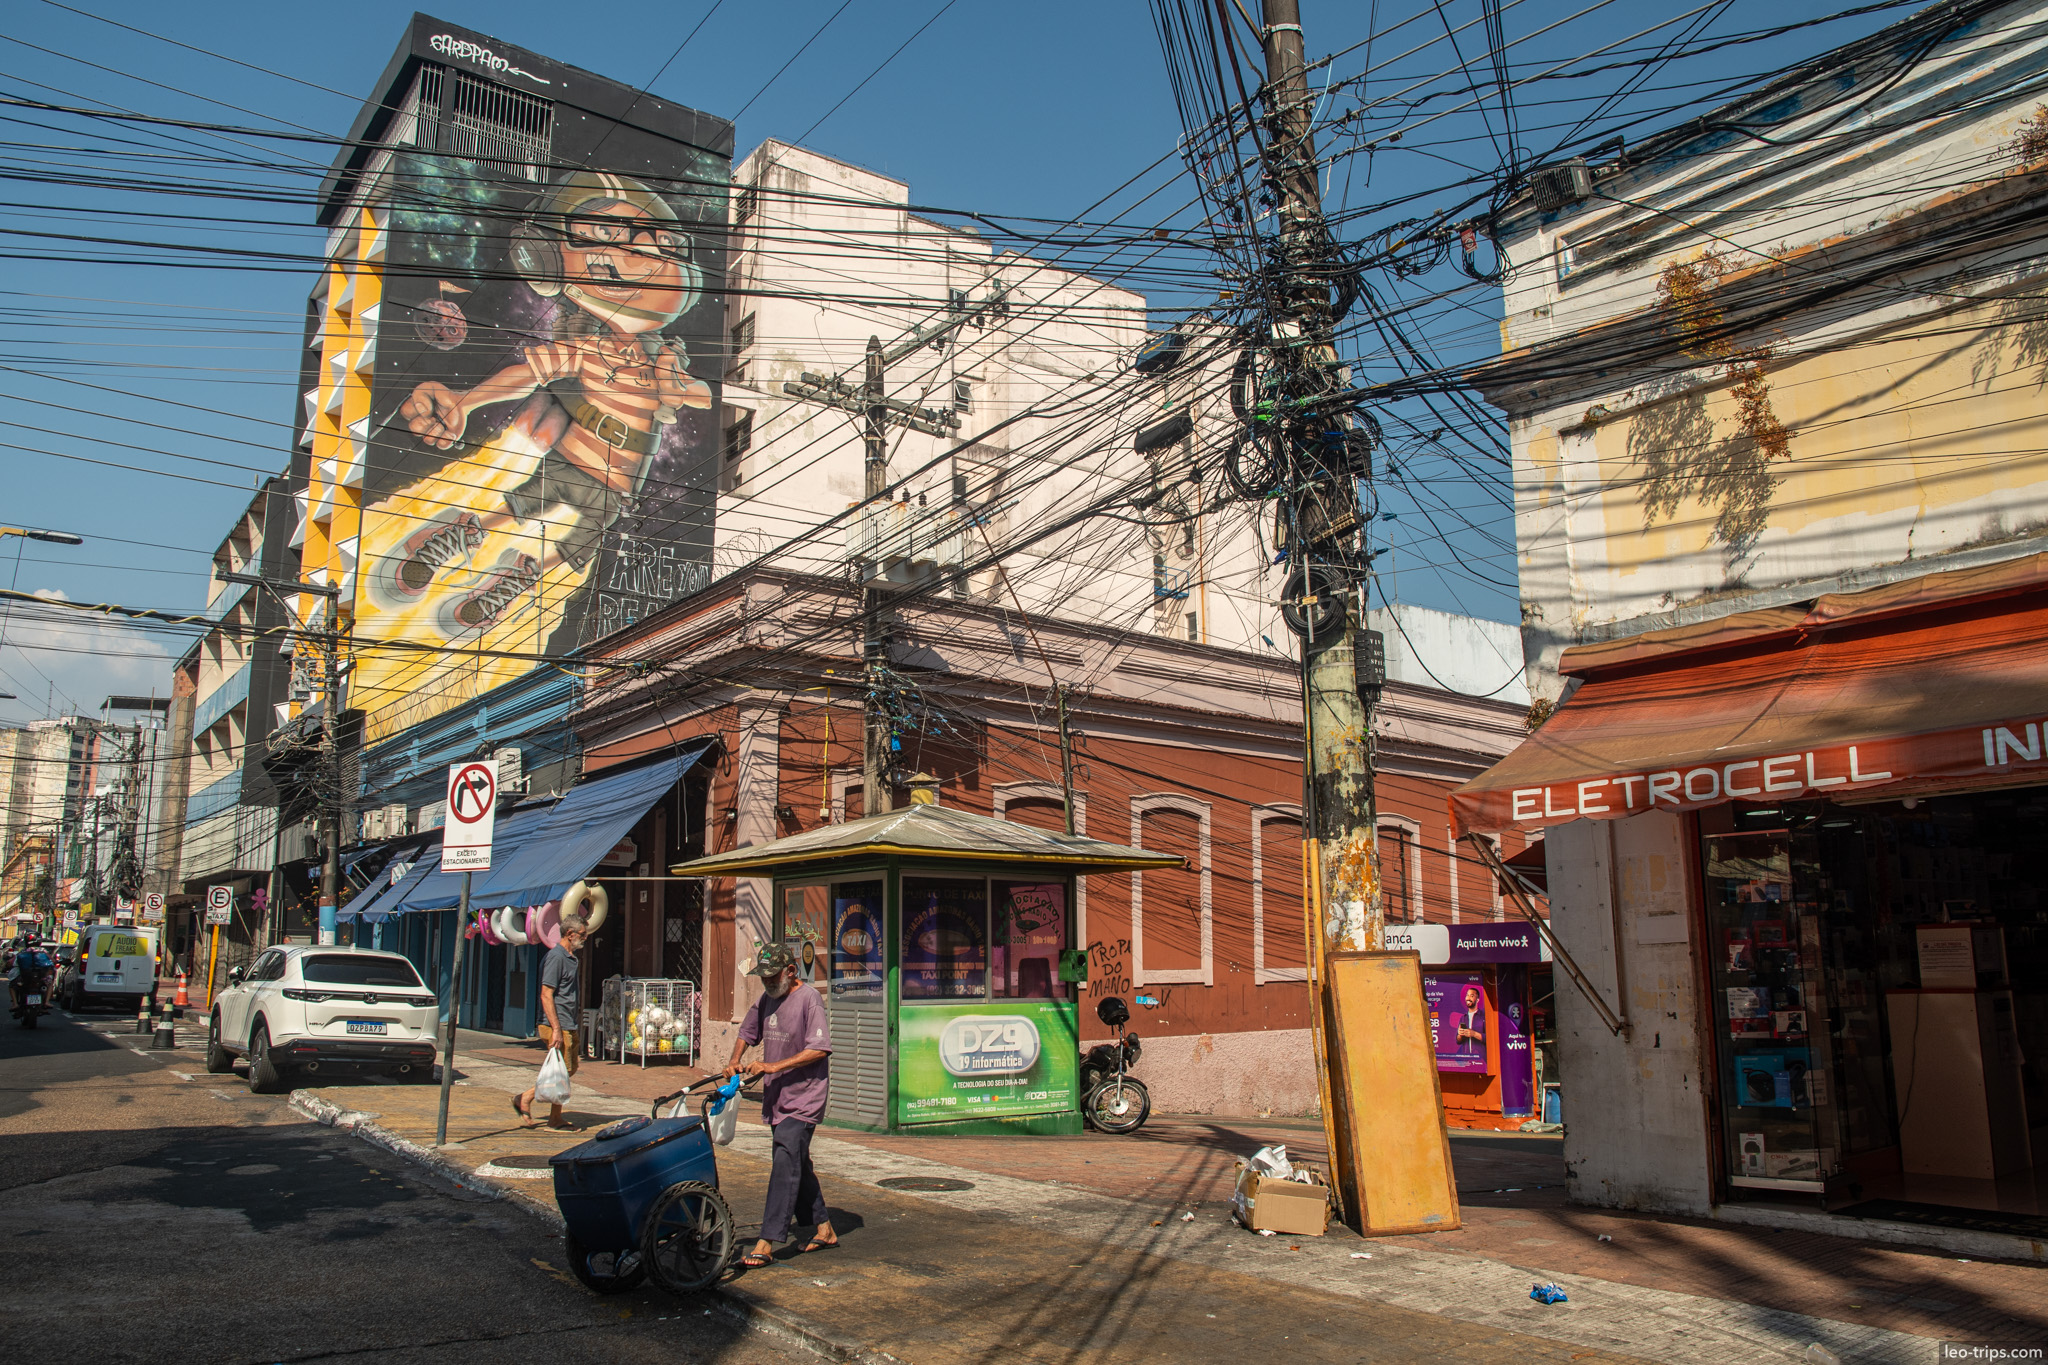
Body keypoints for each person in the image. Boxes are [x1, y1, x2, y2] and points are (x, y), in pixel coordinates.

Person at [723, 944, 836, 1268]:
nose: (768, 982)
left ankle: (767, 1240)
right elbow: (748, 1030)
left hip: (804, 1097)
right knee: (796, 1159)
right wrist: (734, 1060)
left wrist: (772, 1066)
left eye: (773, 976)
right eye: (764, 978)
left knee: (785, 1160)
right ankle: (824, 1228)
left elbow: (819, 1048)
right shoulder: (767, 999)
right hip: (777, 1098)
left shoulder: (809, 999)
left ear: (791, 971)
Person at [516, 917, 591, 1131]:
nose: (585, 938)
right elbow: (546, 994)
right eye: (582, 934)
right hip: (556, 1023)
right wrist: (556, 1029)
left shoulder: (570, 958)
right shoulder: (556, 958)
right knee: (563, 1070)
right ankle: (529, 1100)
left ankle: (548, 1112)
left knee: (567, 1069)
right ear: (570, 934)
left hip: (568, 1021)